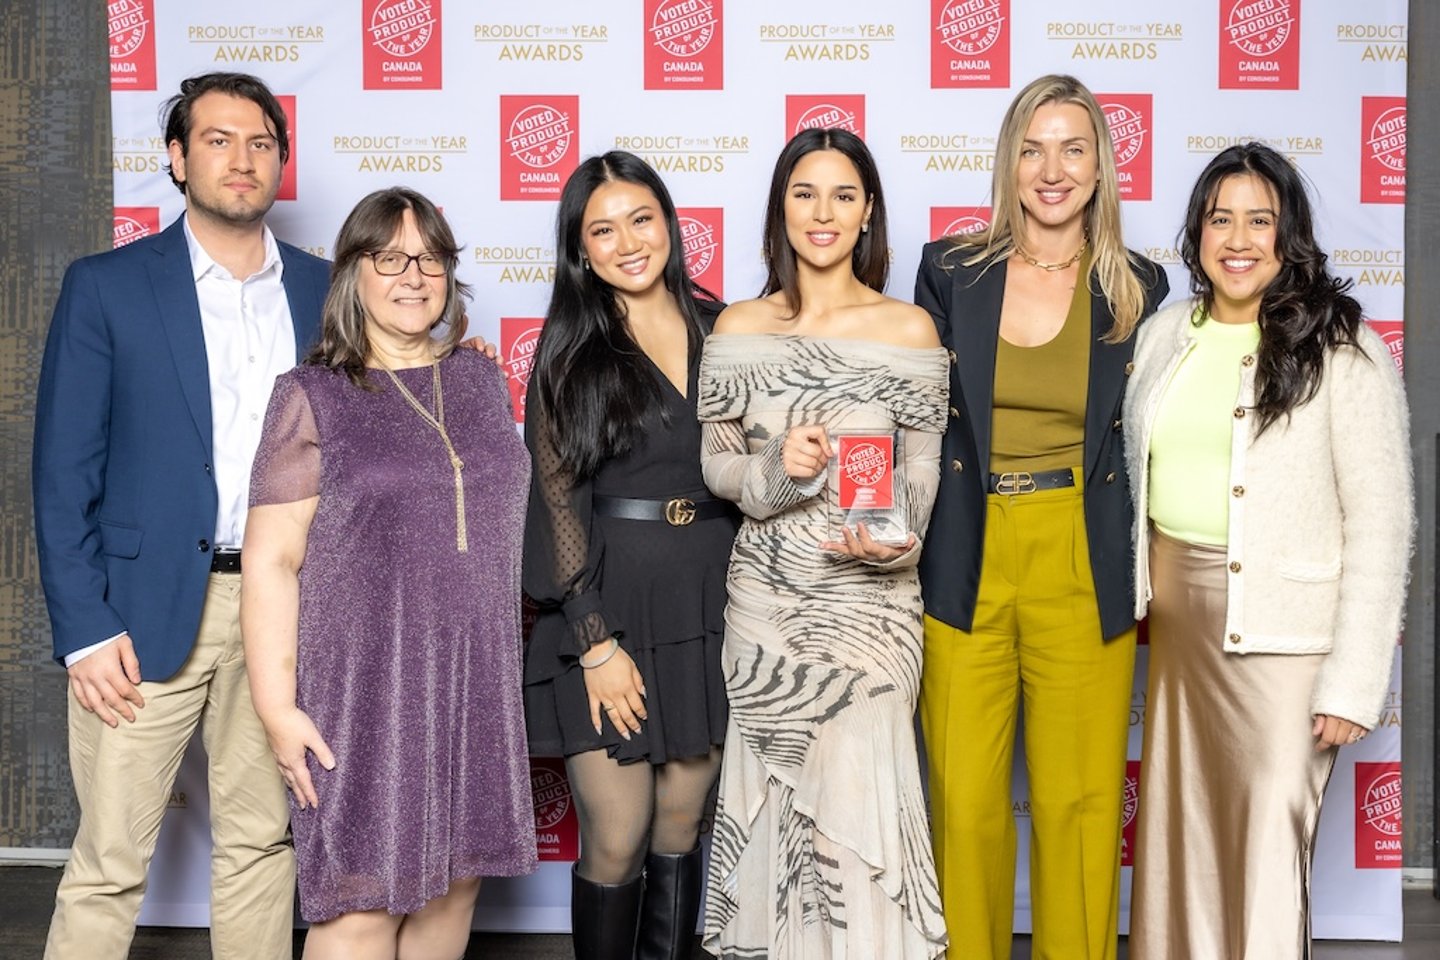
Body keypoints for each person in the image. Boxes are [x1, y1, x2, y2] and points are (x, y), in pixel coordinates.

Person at [32, 71, 327, 959]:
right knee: (110, 858)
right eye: (218, 140)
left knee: (262, 844)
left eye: (261, 143)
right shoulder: (107, 286)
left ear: (281, 160)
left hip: (286, 610)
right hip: (138, 612)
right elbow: (61, 470)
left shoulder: (326, 288)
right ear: (176, 157)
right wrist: (84, 628)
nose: (243, 160)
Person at [1124, 143, 1412, 959]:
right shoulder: (1164, 335)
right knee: (1184, 843)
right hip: (1182, 633)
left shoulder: (1343, 348)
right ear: (1198, 233)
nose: (1239, 238)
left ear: (1291, 237)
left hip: (1289, 641)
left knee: (1268, 851)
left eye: (1262, 220)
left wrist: (1355, 679)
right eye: (1222, 218)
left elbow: (1382, 521)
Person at [240, 186, 537, 959]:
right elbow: (272, 560)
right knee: (361, 903)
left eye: (430, 257)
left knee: (454, 882)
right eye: (390, 257)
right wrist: (277, 707)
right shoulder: (311, 397)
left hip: (476, 681)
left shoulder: (479, 380)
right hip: (364, 688)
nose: (413, 274)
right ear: (354, 275)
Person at [913, 73, 1169, 959]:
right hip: (965, 549)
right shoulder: (951, 271)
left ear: (1100, 167)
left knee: (1080, 802)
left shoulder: (1141, 286)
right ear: (1008, 162)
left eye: (1072, 147)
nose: (1051, 169)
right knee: (966, 801)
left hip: (1080, 552)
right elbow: (900, 401)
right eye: (1032, 147)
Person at [698, 127, 949, 959]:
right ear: (781, 207)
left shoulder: (911, 331)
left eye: (844, 195)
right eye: (805, 193)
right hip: (767, 608)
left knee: (856, 811)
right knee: (775, 807)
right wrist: (778, 468)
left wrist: (897, 545)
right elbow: (717, 466)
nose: (823, 212)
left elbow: (916, 485)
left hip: (871, 614)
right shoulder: (737, 326)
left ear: (868, 210)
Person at [522, 150, 736, 960]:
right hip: (606, 608)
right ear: (582, 249)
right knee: (618, 834)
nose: (627, 242)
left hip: (709, 603)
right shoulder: (570, 349)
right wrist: (595, 638)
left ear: (671, 225)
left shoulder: (726, 328)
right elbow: (555, 498)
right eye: (601, 230)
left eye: (641, 219)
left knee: (682, 827)